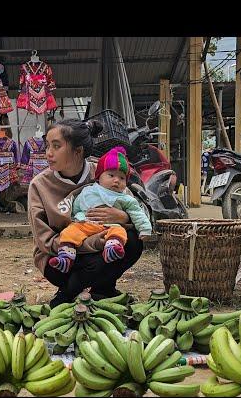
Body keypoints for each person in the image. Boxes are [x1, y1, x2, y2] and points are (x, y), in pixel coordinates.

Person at [27, 119, 146, 308]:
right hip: (60, 255)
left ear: (78, 151)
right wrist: (93, 242)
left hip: (104, 246)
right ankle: (70, 290)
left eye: (56, 146)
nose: (48, 153)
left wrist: (123, 217)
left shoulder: (105, 171)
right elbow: (45, 241)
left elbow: (135, 208)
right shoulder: (40, 185)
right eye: (47, 145)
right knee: (93, 262)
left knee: (133, 241)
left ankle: (100, 289)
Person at [48, 146, 152, 273]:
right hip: (86, 224)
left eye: (122, 178)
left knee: (119, 232)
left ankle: (112, 249)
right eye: (111, 175)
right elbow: (76, 206)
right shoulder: (88, 191)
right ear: (99, 176)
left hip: (111, 226)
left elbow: (137, 213)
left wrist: (145, 229)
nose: (116, 180)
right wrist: (76, 218)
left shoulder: (125, 198)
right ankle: (66, 256)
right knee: (70, 232)